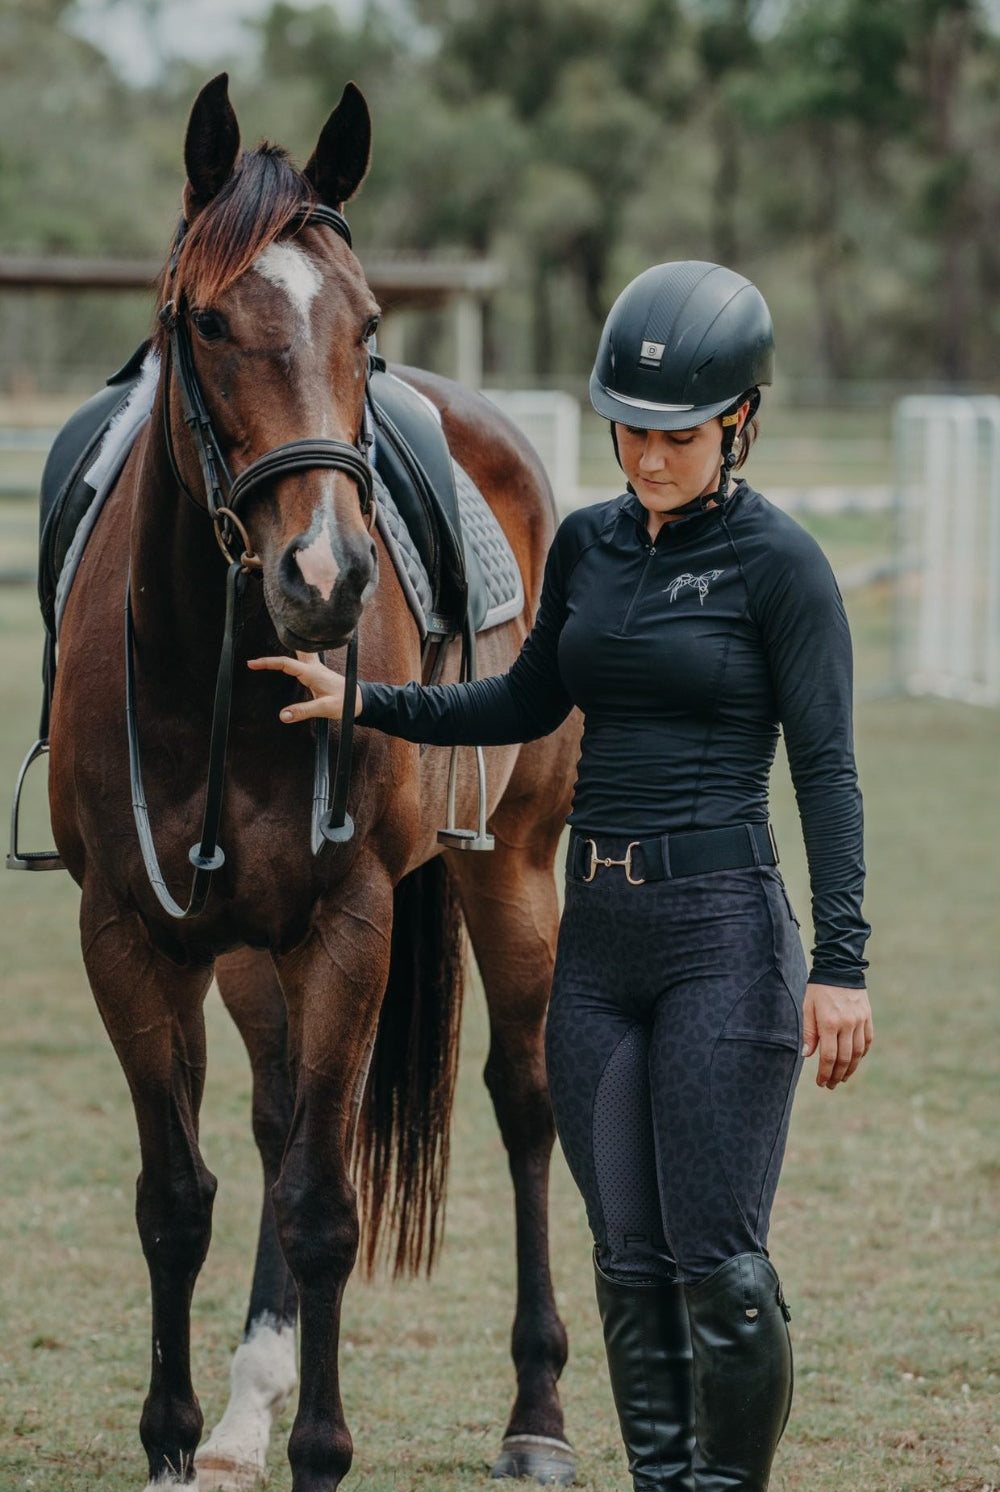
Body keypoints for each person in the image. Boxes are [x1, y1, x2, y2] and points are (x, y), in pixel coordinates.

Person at [249, 260, 873, 1492]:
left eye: (676, 437)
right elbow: (523, 700)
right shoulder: (585, 545)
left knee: (721, 1267)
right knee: (627, 1259)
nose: (646, 458)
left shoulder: (778, 567)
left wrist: (843, 964)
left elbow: (829, 772)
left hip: (724, 938)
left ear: (740, 422)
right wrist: (364, 699)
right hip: (599, 945)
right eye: (628, 432)